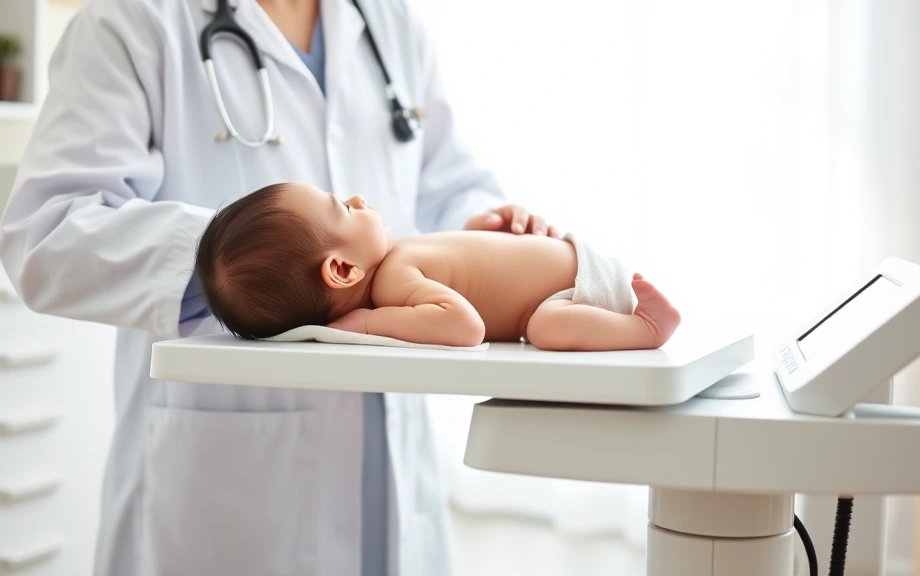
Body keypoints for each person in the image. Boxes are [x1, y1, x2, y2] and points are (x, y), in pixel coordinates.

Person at [0, 0, 559, 574]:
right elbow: (49, 232)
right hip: (227, 480)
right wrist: (253, 269)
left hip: (390, 454)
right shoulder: (133, 21)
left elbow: (447, 184)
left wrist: (486, 230)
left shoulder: (391, 23)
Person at [193, 183, 681, 349]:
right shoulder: (398, 269)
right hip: (570, 276)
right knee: (545, 324)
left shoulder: (393, 278)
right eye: (343, 207)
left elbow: (465, 326)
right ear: (341, 270)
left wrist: (368, 322)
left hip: (577, 287)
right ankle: (640, 323)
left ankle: (646, 327)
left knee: (547, 328)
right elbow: (466, 314)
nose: (359, 198)